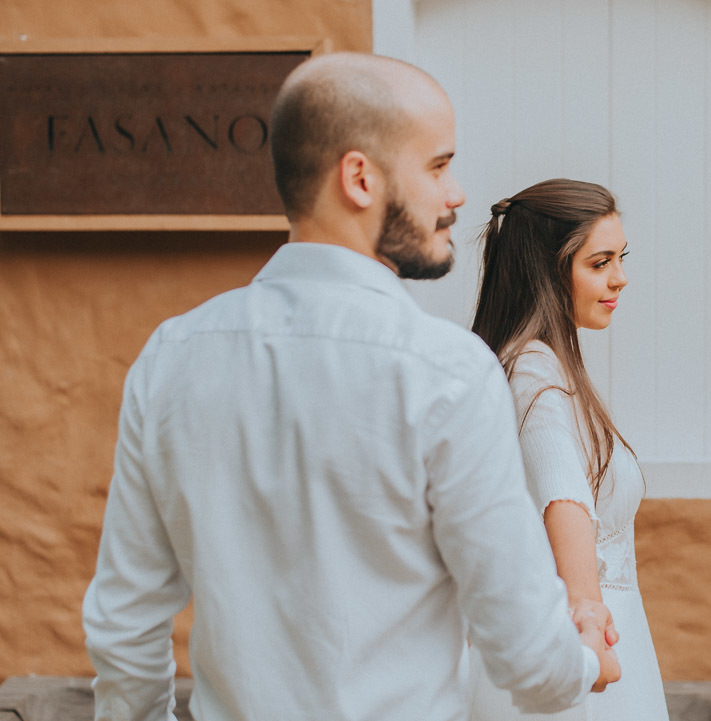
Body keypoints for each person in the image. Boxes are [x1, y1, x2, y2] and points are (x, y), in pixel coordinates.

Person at [81, 53, 620, 721]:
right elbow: (528, 658)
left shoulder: (170, 358)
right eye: (437, 165)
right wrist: (588, 659)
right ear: (359, 178)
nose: (455, 194)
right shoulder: (447, 373)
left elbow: (126, 625)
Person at [468, 179, 670, 721]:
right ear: (548, 270)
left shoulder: (538, 365)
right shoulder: (533, 369)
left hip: (593, 640)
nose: (620, 278)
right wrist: (585, 606)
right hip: (582, 651)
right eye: (599, 262)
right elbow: (562, 493)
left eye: (620, 258)